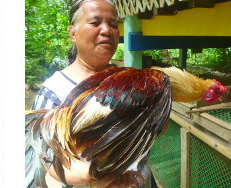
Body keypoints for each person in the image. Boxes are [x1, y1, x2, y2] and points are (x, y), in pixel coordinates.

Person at [27, 0, 146, 187]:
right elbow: (47, 157)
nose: (106, 30)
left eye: (113, 25)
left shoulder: (129, 81)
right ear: (73, 33)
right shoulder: (54, 90)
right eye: (95, 22)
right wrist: (100, 177)